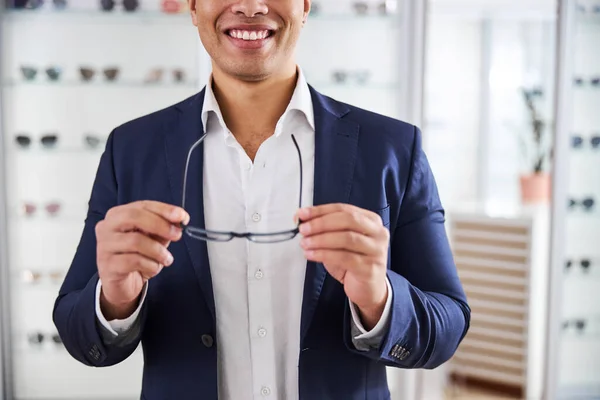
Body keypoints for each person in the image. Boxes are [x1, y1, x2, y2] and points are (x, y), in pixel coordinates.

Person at [52, 0, 470, 396]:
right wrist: (114, 300)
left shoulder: (393, 148)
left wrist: (380, 298)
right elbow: (77, 330)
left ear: (305, 5)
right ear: (193, 6)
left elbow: (447, 326)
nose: (250, 6)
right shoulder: (131, 149)